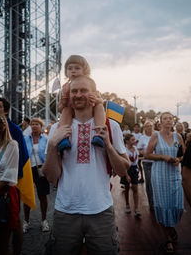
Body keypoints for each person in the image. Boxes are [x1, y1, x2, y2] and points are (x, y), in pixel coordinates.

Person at [43, 75, 130, 255]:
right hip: (65, 211)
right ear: (69, 95)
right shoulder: (57, 129)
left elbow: (122, 170)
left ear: (94, 95)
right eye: (74, 91)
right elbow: (51, 177)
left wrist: (107, 145)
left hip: (100, 210)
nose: (78, 94)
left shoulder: (110, 126)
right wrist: (52, 146)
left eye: (84, 90)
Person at [0, 97, 35, 255]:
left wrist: (12, 182)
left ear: (6, 110)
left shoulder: (14, 130)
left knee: (13, 223)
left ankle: (16, 250)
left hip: (10, 184)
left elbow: (20, 157)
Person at [145, 112, 184, 254]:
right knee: (163, 205)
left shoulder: (177, 137)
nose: (168, 120)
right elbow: (147, 154)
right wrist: (163, 157)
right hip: (160, 174)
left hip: (174, 174)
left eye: (170, 118)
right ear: (160, 122)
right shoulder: (156, 136)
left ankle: (171, 227)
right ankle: (167, 238)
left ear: (173, 121)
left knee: (176, 204)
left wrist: (179, 159)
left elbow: (182, 153)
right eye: (165, 118)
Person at [57, 55, 105, 151]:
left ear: (85, 70)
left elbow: (101, 101)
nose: (73, 71)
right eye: (70, 68)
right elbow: (60, 109)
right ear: (66, 72)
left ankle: (99, 134)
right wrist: (63, 103)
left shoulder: (89, 84)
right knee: (67, 110)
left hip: (89, 114)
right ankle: (64, 138)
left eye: (77, 68)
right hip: (73, 114)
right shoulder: (65, 87)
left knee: (99, 106)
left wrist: (96, 100)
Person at [0, 114, 19, 255]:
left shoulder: (11, 145)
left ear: (0, 128)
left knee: (2, 241)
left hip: (3, 194)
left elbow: (10, 173)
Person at [23, 117, 50, 233]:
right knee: (27, 195)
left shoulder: (46, 139)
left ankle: (44, 221)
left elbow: (49, 154)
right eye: (32, 124)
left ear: (41, 127)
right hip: (28, 169)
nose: (34, 126)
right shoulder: (25, 139)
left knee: (42, 196)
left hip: (41, 169)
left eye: (36, 124)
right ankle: (26, 221)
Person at [120, 134, 141, 218]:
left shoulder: (135, 148)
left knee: (135, 188)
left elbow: (137, 158)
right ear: (127, 141)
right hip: (127, 169)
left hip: (134, 169)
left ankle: (136, 209)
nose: (134, 141)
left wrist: (138, 169)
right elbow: (123, 163)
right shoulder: (124, 150)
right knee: (127, 187)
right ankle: (127, 204)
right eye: (132, 140)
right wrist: (126, 175)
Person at [137, 120, 155, 211]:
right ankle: (152, 204)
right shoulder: (142, 138)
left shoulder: (157, 136)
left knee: (157, 183)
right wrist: (145, 153)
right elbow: (139, 149)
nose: (149, 127)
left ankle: (158, 203)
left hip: (157, 162)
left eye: (151, 125)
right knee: (150, 183)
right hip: (147, 163)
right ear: (145, 128)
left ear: (153, 126)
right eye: (147, 126)